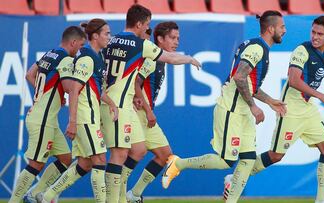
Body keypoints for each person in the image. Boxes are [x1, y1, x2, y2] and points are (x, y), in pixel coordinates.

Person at [162, 10, 287, 203]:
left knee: (247, 160)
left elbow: (250, 84)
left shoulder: (258, 47)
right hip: (232, 110)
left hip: (243, 111)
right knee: (225, 161)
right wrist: (254, 107)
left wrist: (270, 101)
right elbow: (239, 77)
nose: (284, 30)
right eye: (282, 27)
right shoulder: (257, 48)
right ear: (271, 29)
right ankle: (178, 163)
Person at [224, 16, 324, 203]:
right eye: (313, 32)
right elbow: (293, 80)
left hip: (308, 109)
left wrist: (314, 97)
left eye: (320, 34)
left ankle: (322, 199)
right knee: (276, 155)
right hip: (290, 109)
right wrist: (321, 96)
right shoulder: (302, 50)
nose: (315, 37)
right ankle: (234, 177)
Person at [100, 4, 201, 203]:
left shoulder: (112, 42)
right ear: (138, 24)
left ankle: (131, 194)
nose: (147, 28)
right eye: (146, 24)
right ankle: (117, 197)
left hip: (115, 102)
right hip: (123, 107)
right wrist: (189, 59)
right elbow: (143, 78)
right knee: (117, 155)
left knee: (142, 152)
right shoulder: (143, 49)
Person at [38, 18, 117, 203]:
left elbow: (94, 88)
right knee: (99, 159)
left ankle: (47, 196)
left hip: (90, 115)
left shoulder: (95, 56)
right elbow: (74, 90)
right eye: (107, 33)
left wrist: (111, 103)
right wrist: (72, 121)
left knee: (85, 163)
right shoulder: (87, 58)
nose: (109, 37)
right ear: (95, 36)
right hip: (84, 117)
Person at [9, 26, 86, 203]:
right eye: (80, 46)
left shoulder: (51, 53)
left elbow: (30, 74)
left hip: (45, 119)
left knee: (66, 159)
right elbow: (69, 88)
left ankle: (35, 193)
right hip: (42, 120)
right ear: (73, 42)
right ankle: (14, 200)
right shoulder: (66, 59)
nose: (80, 50)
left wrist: (49, 93)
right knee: (36, 164)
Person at [125, 21, 181, 202]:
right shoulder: (151, 58)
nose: (176, 42)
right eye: (172, 38)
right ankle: (117, 192)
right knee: (134, 153)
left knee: (165, 155)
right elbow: (136, 83)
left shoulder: (159, 60)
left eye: (178, 38)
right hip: (139, 113)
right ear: (160, 39)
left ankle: (133, 194)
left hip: (144, 113)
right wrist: (149, 111)